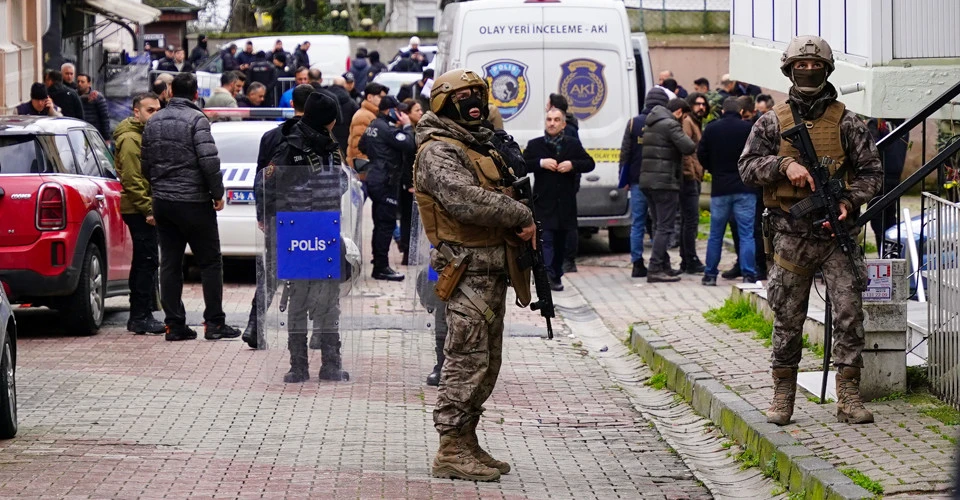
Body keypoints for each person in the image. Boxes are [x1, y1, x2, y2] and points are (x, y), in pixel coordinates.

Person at [739, 35, 882, 426]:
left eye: (813, 65)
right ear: (788, 69)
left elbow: (873, 173)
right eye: (799, 65)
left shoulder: (849, 122)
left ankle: (848, 393)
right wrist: (784, 167)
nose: (807, 71)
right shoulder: (772, 121)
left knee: (850, 313)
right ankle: (783, 393)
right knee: (787, 315)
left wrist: (848, 201)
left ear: (826, 69)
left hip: (837, 237)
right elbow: (747, 166)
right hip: (790, 234)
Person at [414, 68, 535, 482]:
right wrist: (519, 213)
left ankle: (466, 440)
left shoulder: (477, 143)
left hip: (490, 270)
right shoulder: (437, 150)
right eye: (462, 95)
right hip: (466, 272)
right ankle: (449, 447)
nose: (473, 102)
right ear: (444, 103)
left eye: (477, 94)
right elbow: (465, 200)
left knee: (487, 363)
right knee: (466, 360)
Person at [141, 72, 242, 342]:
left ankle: (174, 325)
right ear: (196, 94)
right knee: (210, 262)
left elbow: (145, 164)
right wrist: (217, 193)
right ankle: (214, 323)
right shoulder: (197, 119)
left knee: (170, 264)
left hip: (164, 202)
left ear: (171, 92)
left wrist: (159, 188)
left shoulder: (153, 122)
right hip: (194, 202)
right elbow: (209, 161)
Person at [257, 91, 351, 382]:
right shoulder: (290, 146)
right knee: (301, 298)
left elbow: (342, 181)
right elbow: (267, 183)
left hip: (323, 230)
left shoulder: (328, 145)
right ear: (330, 120)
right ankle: (299, 365)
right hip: (299, 232)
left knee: (327, 299)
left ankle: (329, 363)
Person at [242, 84, 318, 348]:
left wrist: (262, 213)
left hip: (278, 214)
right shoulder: (319, 137)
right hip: (312, 216)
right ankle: (320, 331)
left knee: (271, 273)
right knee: (317, 272)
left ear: (292, 103)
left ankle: (255, 324)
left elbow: (260, 178)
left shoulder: (272, 136)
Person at [523, 108, 596, 291]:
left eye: (556, 120)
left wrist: (573, 165)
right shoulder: (535, 145)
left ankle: (556, 274)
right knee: (545, 240)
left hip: (565, 203)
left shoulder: (572, 144)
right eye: (549, 119)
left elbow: (589, 163)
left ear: (563, 124)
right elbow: (522, 166)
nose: (552, 123)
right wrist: (541, 163)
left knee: (560, 242)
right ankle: (546, 277)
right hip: (543, 203)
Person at [114, 92, 165, 335]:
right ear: (137, 112)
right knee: (146, 261)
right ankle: (139, 316)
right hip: (138, 208)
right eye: (150, 110)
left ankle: (141, 313)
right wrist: (148, 209)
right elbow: (132, 179)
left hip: (142, 206)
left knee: (145, 261)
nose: (155, 115)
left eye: (157, 109)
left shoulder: (143, 135)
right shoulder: (131, 139)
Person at [699, 97, 757, 286]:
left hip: (720, 188)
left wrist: (713, 169)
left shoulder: (712, 129)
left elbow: (702, 154)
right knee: (746, 233)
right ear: (741, 112)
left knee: (716, 234)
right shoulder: (748, 129)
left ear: (723, 111)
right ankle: (749, 274)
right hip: (745, 188)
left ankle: (710, 275)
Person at [639, 98, 697, 283]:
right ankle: (655, 268)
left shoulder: (652, 122)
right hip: (664, 182)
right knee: (665, 227)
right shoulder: (671, 124)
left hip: (648, 181)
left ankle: (664, 265)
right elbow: (688, 147)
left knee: (658, 225)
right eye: (684, 116)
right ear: (679, 112)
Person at [359, 96, 415, 281]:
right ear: (389, 110)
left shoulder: (373, 125)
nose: (401, 114)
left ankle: (379, 263)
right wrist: (407, 126)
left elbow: (362, 145)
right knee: (386, 224)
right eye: (398, 111)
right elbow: (408, 144)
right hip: (385, 181)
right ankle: (381, 267)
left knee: (379, 223)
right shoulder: (387, 129)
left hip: (375, 177)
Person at [618, 88, 669, 278]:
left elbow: (625, 153)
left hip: (636, 180)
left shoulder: (634, 123)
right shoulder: (665, 123)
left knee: (637, 222)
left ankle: (637, 263)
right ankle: (659, 260)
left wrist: (622, 179)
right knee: (658, 222)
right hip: (657, 181)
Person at [545, 93, 582, 273]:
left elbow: (578, 157)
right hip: (561, 180)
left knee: (568, 222)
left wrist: (571, 167)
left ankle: (569, 260)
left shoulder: (568, 131)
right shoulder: (568, 125)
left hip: (567, 179)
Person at [678, 94, 706, 274]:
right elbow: (686, 151)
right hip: (689, 177)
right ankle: (690, 258)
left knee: (688, 220)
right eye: (698, 104)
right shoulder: (688, 121)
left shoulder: (695, 122)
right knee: (690, 220)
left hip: (694, 175)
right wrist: (691, 173)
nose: (701, 107)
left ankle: (686, 259)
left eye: (704, 104)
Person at [398, 99, 424, 264]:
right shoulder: (406, 134)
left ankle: (413, 252)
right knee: (408, 219)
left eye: (421, 109)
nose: (420, 113)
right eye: (416, 110)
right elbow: (406, 161)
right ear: (407, 114)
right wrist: (409, 183)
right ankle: (408, 253)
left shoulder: (419, 131)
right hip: (408, 183)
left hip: (417, 182)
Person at [346, 82, 387, 172]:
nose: (384, 100)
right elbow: (358, 148)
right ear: (369, 97)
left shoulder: (373, 114)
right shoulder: (363, 116)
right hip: (363, 170)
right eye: (381, 97)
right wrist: (366, 169)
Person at [328, 77, 360, 154]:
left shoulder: (326, 97)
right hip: (345, 137)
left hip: (328, 135)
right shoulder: (351, 101)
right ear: (344, 85)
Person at [76, 73, 111, 140]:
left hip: (93, 134)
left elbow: (104, 118)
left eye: (82, 82)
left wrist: (106, 137)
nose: (79, 84)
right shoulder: (74, 96)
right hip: (78, 133)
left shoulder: (97, 97)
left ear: (89, 83)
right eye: (78, 81)